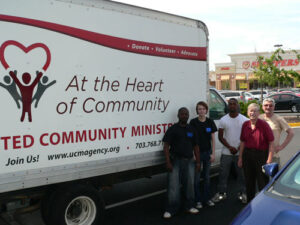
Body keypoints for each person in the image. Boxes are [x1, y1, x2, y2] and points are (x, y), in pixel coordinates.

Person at [162, 107, 200, 219]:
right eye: (182, 114)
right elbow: (166, 146)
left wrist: (198, 162)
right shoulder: (173, 129)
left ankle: (189, 206)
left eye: (186, 114)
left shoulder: (191, 129)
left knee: (190, 186)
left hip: (189, 161)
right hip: (175, 161)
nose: (184, 116)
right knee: (173, 187)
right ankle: (171, 209)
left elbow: (196, 146)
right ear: (178, 116)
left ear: (188, 116)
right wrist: (168, 162)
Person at [212, 98, 248, 204]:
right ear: (228, 106)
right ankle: (221, 193)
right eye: (230, 104)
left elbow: (246, 137)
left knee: (241, 175)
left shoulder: (244, 120)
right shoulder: (223, 120)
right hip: (226, 153)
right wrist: (230, 147)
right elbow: (220, 137)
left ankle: (243, 193)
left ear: (237, 105)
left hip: (240, 153)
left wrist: (237, 148)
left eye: (234, 104)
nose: (232, 106)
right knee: (223, 174)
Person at [238, 103, 274, 203]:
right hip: (247, 155)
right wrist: (240, 158)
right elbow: (242, 142)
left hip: (261, 156)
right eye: (250, 110)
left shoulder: (264, 125)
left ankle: (263, 204)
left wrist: (269, 160)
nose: (252, 113)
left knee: (262, 181)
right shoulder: (245, 125)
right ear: (247, 112)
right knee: (249, 181)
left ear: (258, 113)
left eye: (255, 111)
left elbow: (271, 143)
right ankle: (250, 203)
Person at [190, 101, 217, 209]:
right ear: (197, 111)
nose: (201, 111)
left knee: (206, 177)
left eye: (203, 109)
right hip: (197, 154)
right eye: (199, 109)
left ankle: (207, 199)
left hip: (207, 153)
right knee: (196, 179)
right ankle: (198, 201)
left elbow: (213, 139)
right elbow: (190, 139)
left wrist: (213, 154)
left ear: (206, 110)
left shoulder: (210, 122)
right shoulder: (193, 122)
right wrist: (193, 154)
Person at [259, 97, 294, 166]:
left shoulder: (278, 119)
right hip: (259, 154)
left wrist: (281, 147)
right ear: (262, 107)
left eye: (271, 105)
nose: (268, 107)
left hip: (273, 156)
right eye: (266, 105)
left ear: (274, 107)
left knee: (273, 176)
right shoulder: (259, 118)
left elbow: (291, 133)